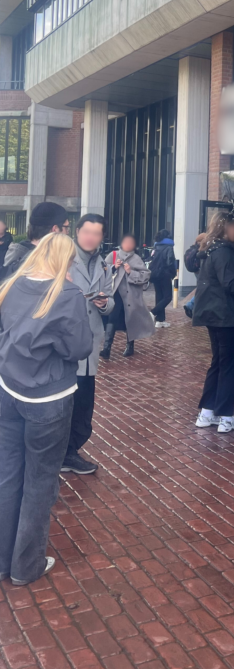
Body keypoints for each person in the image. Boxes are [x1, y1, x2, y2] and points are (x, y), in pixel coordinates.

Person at [0, 232, 93, 585]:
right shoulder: (67, 294)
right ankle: (26, 566)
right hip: (48, 398)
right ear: (65, 261)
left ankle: (3, 559)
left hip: (8, 390)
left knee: (8, 476)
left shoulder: (12, 284)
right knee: (39, 483)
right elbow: (79, 348)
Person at [193, 212, 234, 434]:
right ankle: (225, 416)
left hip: (214, 314)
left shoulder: (209, 249)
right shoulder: (224, 251)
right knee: (230, 365)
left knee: (219, 363)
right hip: (229, 315)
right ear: (225, 227)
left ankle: (207, 411)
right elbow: (231, 283)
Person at [61, 214, 114, 476]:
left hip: (90, 341)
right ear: (77, 231)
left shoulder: (102, 262)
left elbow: (110, 296)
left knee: (84, 400)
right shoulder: (63, 257)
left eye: (97, 233)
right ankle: (64, 452)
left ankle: (71, 449)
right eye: (86, 232)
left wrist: (106, 304)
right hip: (67, 341)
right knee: (67, 399)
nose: (90, 238)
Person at [102, 235, 155, 358]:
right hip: (114, 294)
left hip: (130, 296)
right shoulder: (113, 255)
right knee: (112, 318)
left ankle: (130, 346)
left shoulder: (136, 258)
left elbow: (146, 275)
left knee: (130, 319)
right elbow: (102, 270)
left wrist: (131, 272)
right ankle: (106, 348)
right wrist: (114, 267)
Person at [1, 202, 70, 279]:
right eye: (66, 227)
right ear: (55, 229)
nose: (67, 233)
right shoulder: (34, 263)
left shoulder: (18, 256)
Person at [149, 229, 176, 327]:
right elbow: (170, 262)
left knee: (159, 296)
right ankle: (153, 312)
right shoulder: (169, 247)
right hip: (164, 274)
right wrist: (173, 273)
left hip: (155, 274)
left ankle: (160, 320)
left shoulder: (156, 246)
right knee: (168, 297)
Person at [182, 233, 205, 319]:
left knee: (201, 289)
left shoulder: (193, 247)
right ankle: (190, 306)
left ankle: (192, 306)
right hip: (200, 271)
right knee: (202, 290)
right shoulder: (201, 249)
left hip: (196, 271)